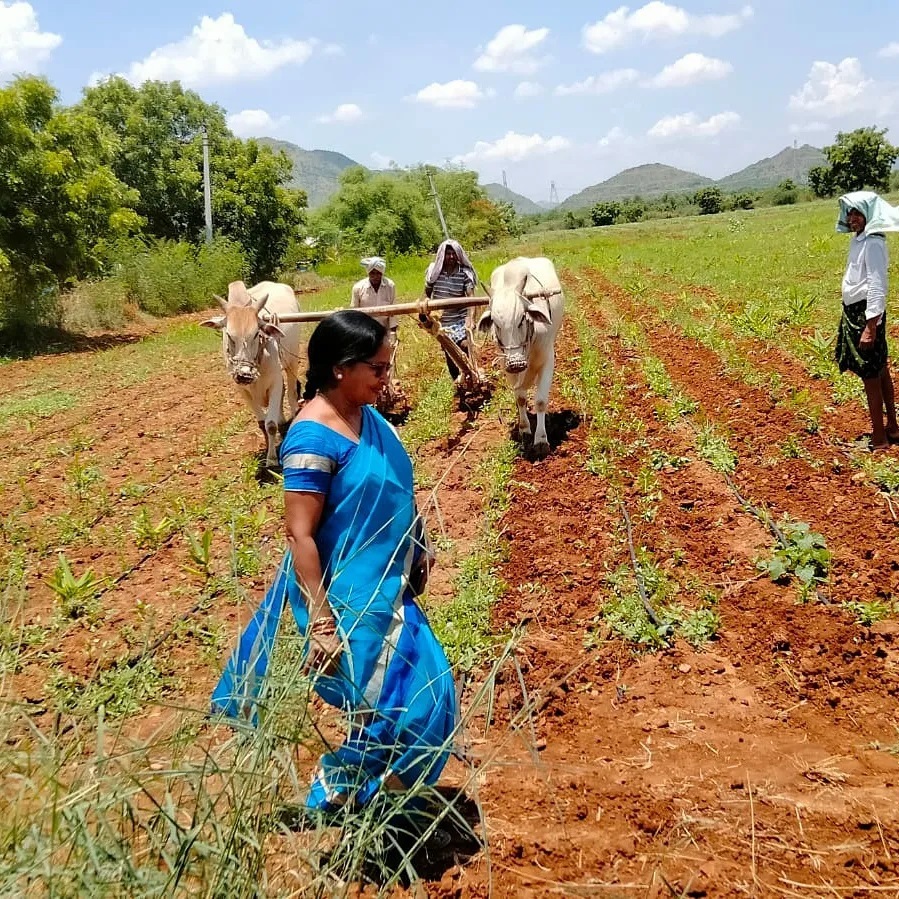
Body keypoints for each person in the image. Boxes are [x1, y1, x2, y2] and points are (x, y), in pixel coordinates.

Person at [211, 310, 457, 814]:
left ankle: (360, 800)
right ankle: (353, 798)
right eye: (379, 369)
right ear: (342, 368)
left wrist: (418, 547)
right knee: (407, 706)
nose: (387, 379)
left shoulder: (368, 419)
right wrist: (323, 623)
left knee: (429, 698)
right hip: (348, 601)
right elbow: (300, 533)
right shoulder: (311, 438)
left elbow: (397, 490)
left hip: (389, 586)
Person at [834, 191, 899, 451]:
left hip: (866, 315)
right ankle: (892, 427)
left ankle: (880, 439)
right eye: (850, 213)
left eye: (858, 213)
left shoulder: (873, 243)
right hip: (856, 312)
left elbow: (877, 285)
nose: (853, 219)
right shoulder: (859, 240)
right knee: (879, 369)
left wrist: (871, 327)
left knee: (871, 375)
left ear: (869, 215)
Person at [425, 239, 478, 383]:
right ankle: (457, 382)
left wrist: (471, 318)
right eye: (447, 254)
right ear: (442, 255)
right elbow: (426, 294)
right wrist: (424, 313)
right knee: (449, 352)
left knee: (465, 345)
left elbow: (471, 298)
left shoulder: (465, 273)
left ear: (458, 255)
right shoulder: (434, 272)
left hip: (460, 318)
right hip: (442, 322)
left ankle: (471, 375)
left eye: (453, 254)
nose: (451, 257)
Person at [351, 256, 398, 345]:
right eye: (372, 273)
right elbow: (354, 312)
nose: (375, 276)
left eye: (378, 273)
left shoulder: (390, 286)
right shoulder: (358, 288)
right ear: (368, 273)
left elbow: (393, 310)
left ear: (382, 273)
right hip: (365, 329)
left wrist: (393, 332)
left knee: (389, 355)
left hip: (385, 329)